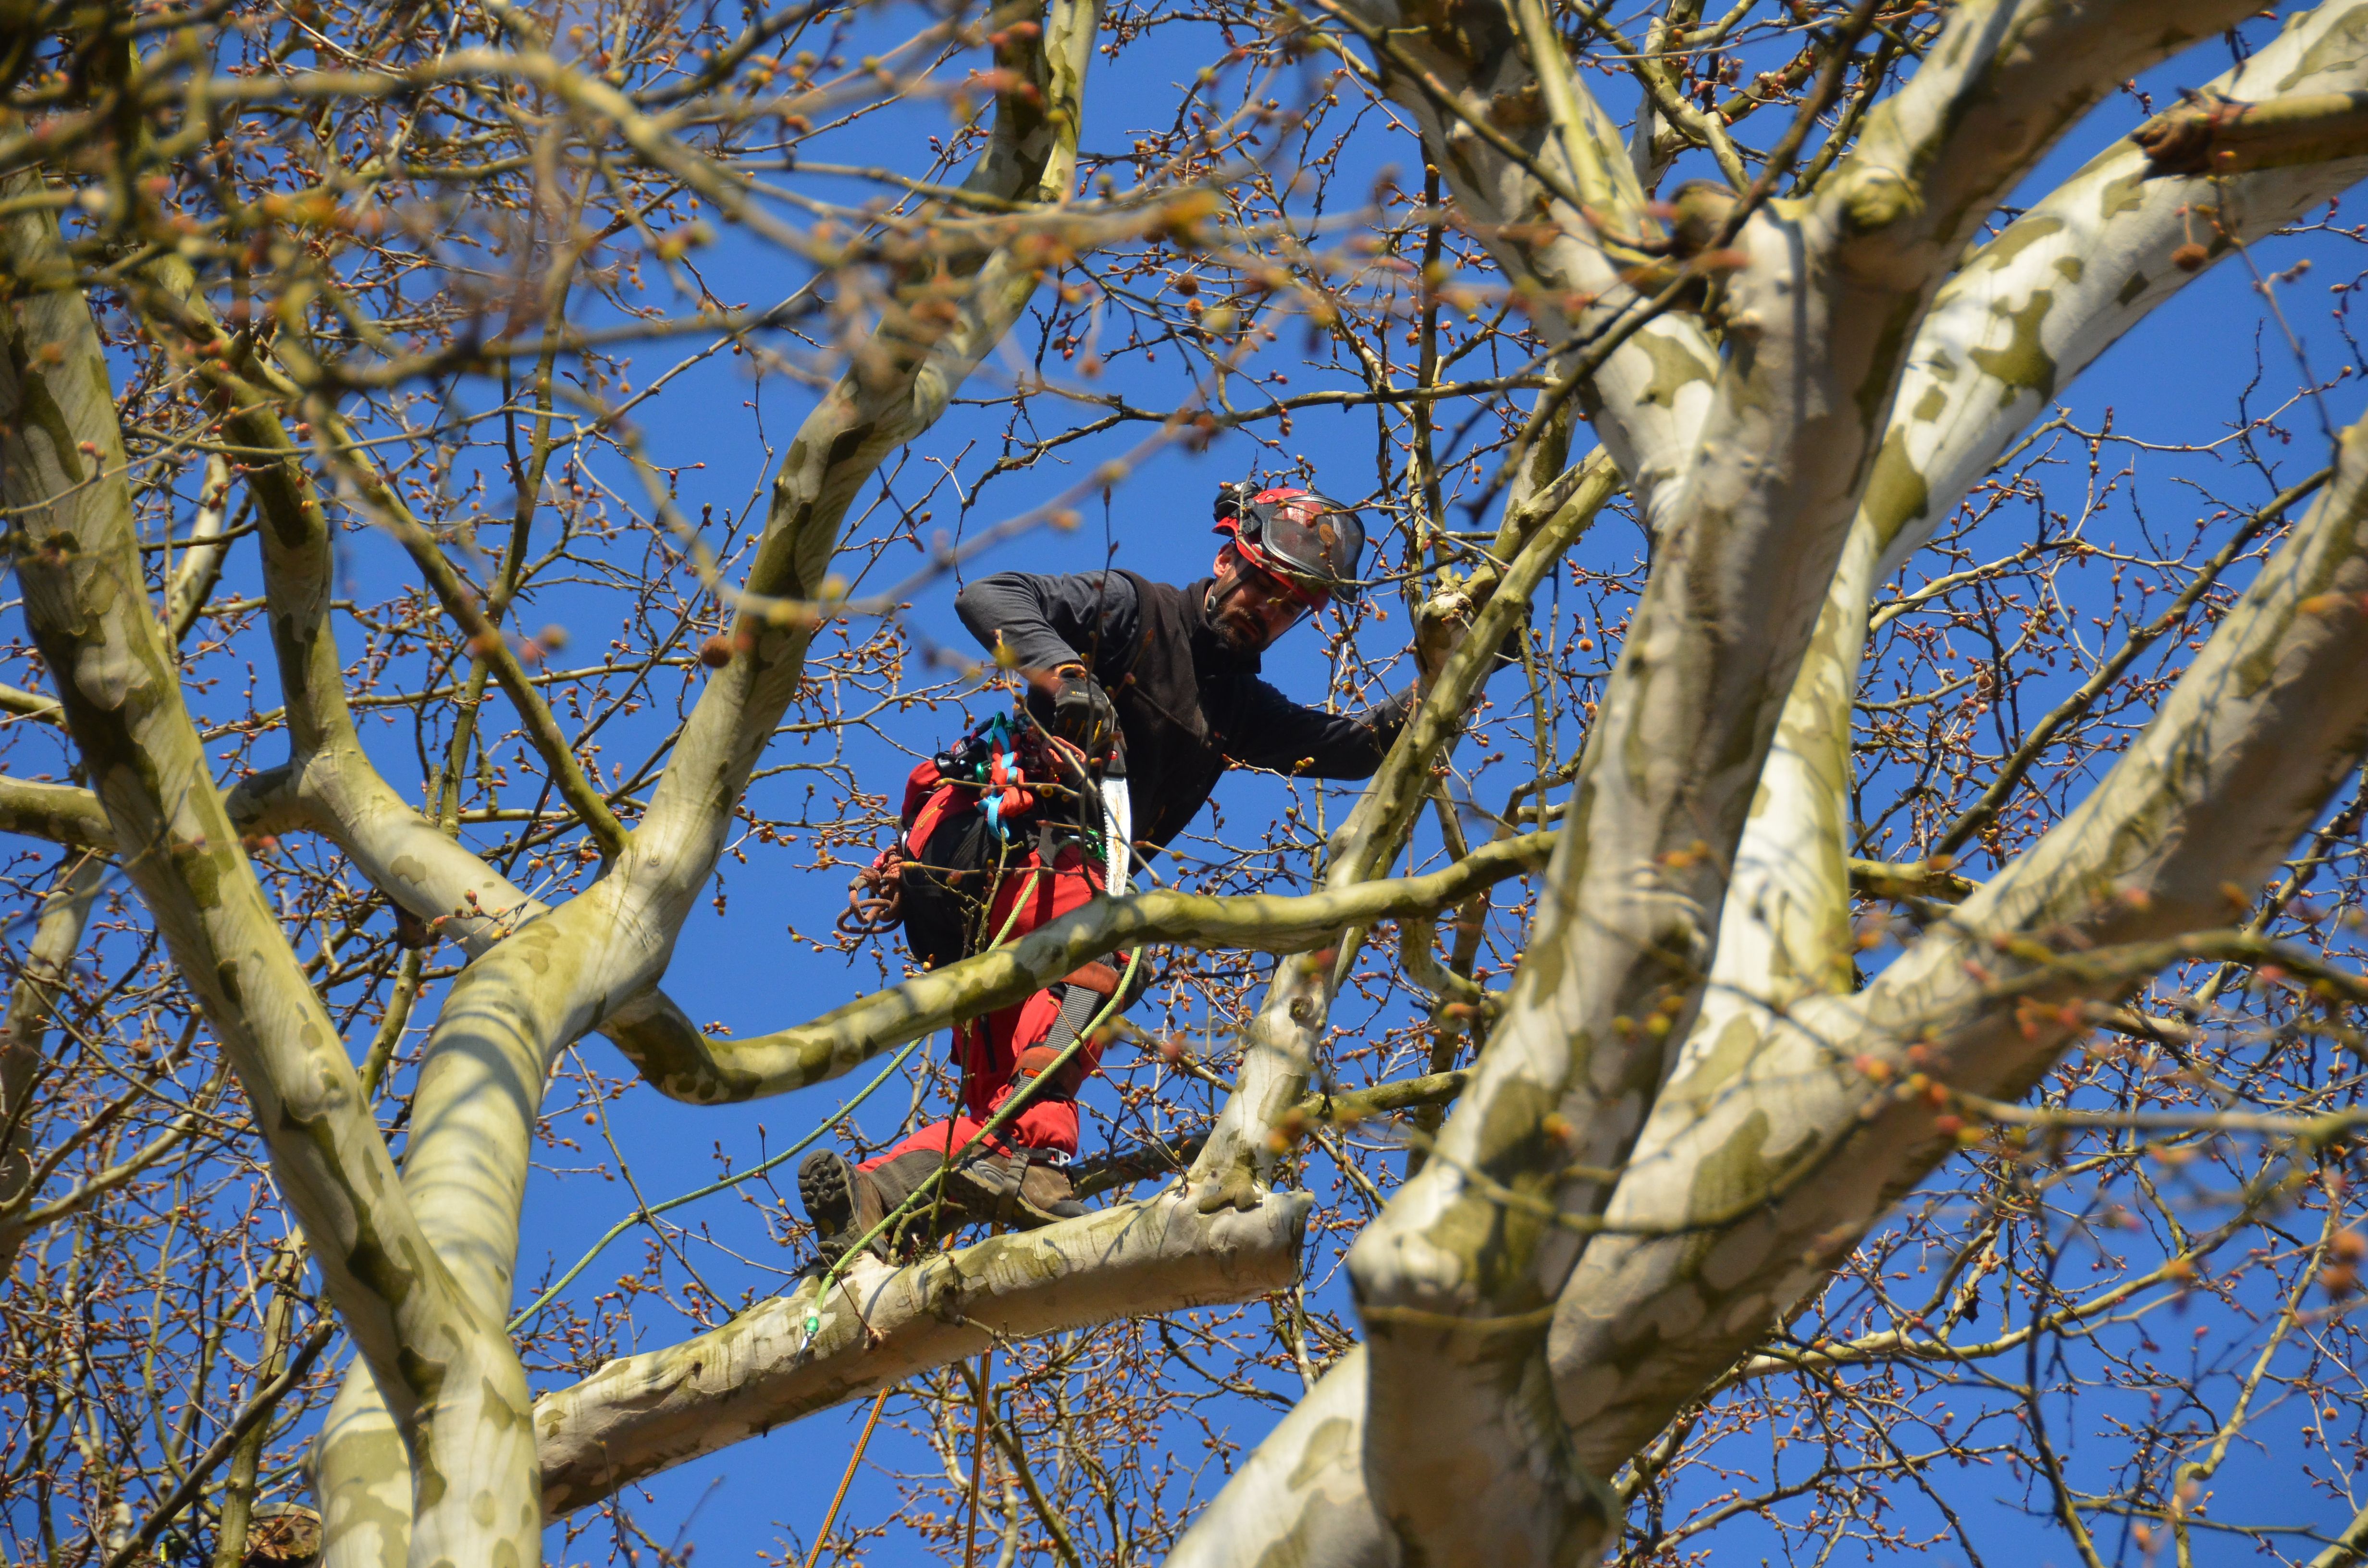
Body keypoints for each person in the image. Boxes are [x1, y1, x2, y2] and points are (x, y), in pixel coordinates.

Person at [801, 481, 1412, 1260]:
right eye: (1261, 583)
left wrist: (1455, 667)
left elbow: (1356, 747)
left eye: (1288, 605)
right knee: (1112, 954)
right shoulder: (1136, 611)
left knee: (1009, 1091)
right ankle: (1026, 1156)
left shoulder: (1237, 711)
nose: (1266, 608)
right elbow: (991, 595)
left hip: (1032, 907)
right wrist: (1065, 675)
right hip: (989, 850)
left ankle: (880, 1207)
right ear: (1227, 558)